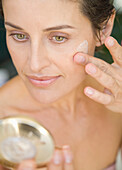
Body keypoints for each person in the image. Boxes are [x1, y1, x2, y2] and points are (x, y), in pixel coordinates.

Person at [0, 0, 122, 169]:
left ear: (103, 29)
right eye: (19, 35)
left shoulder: (117, 101)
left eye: (59, 37)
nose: (34, 65)